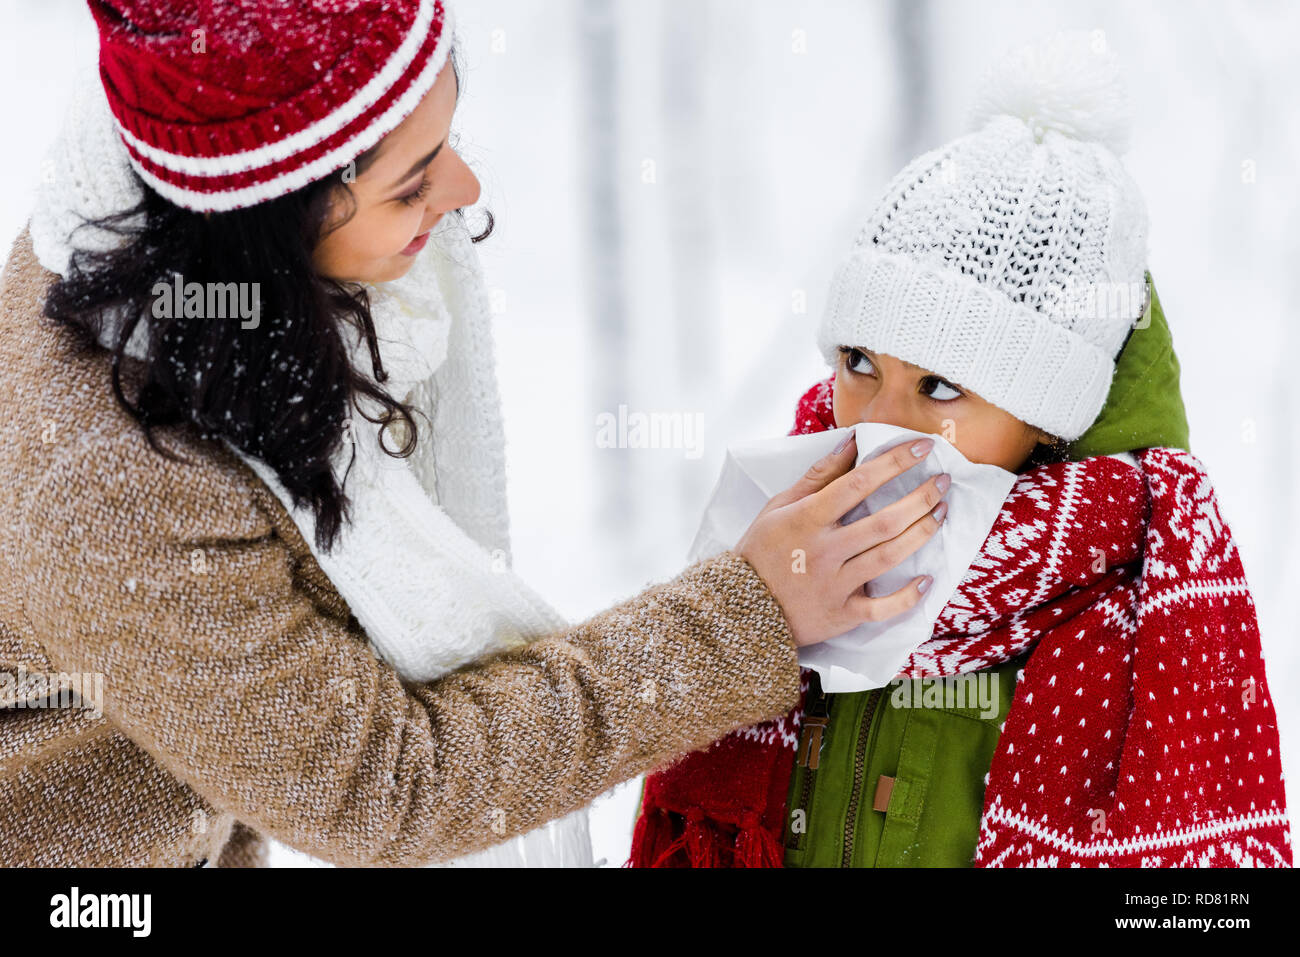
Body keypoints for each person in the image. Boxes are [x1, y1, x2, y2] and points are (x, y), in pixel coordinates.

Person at [0, 0, 947, 868]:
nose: (464, 187)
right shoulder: (118, 485)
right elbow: (388, 785)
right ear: (267, 230)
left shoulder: (169, 170)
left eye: (447, 138)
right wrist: (750, 614)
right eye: (412, 187)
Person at [628, 31, 1292, 868]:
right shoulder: (775, 539)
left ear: (1049, 419)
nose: (881, 425)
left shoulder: (1141, 630)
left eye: (942, 388)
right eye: (858, 363)